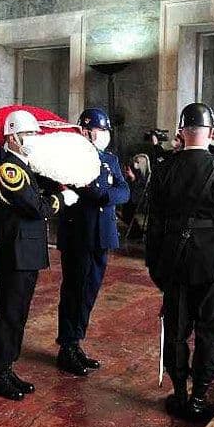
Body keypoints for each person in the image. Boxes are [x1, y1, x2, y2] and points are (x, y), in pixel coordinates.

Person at [146, 102, 214, 420]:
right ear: (212, 134)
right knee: (209, 331)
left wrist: (156, 266)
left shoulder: (164, 169)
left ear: (181, 132)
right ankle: (200, 397)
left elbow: (154, 226)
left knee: (176, 331)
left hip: (175, 263)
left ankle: (179, 393)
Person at [0, 108, 78, 401]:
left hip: (25, 252)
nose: (32, 139)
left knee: (19, 314)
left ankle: (7, 367)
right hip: (14, 253)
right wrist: (61, 199)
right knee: (9, 314)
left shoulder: (25, 166)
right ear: (12, 137)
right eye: (27, 134)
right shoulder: (9, 169)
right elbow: (36, 207)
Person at [55, 108, 130, 376]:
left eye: (103, 131)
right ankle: (67, 346)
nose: (100, 135)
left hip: (102, 235)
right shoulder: (70, 158)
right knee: (74, 290)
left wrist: (105, 195)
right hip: (78, 235)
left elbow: (124, 191)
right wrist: (102, 193)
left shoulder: (110, 159)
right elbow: (85, 189)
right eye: (96, 130)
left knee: (90, 291)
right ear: (85, 131)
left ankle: (77, 342)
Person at [122, 153, 151, 238]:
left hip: (138, 198)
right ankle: (134, 231)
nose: (135, 164)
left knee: (128, 213)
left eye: (137, 162)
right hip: (131, 196)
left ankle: (136, 232)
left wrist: (133, 178)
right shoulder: (137, 171)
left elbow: (142, 186)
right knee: (126, 213)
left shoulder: (146, 174)